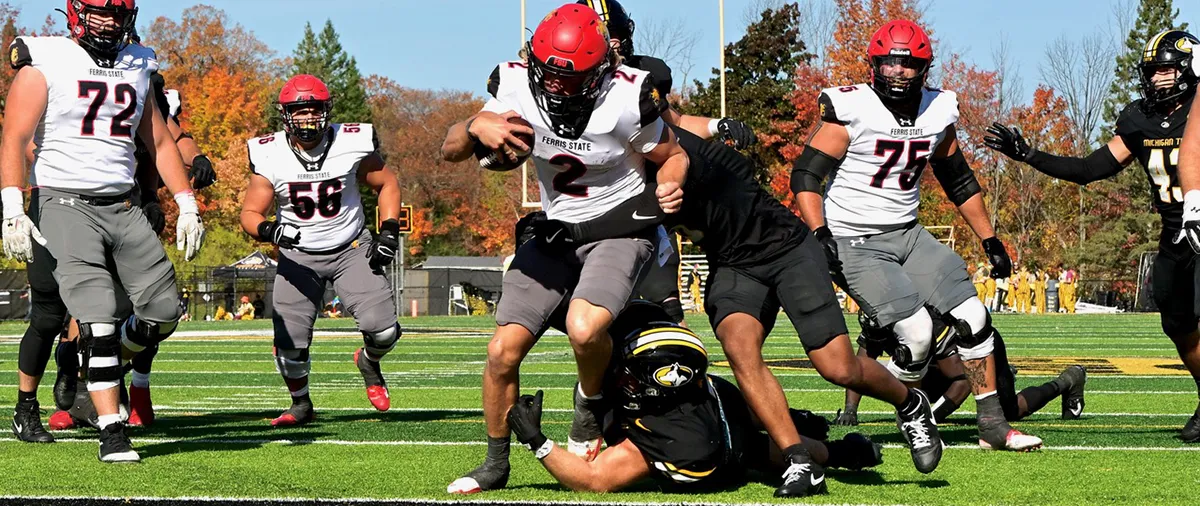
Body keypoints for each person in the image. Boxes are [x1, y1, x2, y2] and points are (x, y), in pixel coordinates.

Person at [441, 4, 689, 494]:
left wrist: (672, 183)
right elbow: (449, 150)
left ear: (602, 72)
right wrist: (474, 126)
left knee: (584, 326)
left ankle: (589, 404)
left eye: (570, 80)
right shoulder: (512, 84)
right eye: (548, 75)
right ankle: (495, 462)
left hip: (617, 229)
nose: (556, 87)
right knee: (501, 351)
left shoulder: (628, 98)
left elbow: (674, 154)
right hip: (556, 231)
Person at [792, 19, 1040, 451]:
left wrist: (990, 239)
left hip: (908, 233)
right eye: (889, 63)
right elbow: (806, 176)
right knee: (919, 334)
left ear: (924, 68)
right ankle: (911, 407)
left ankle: (992, 426)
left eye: (908, 64)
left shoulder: (938, 108)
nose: (898, 72)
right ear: (874, 65)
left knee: (974, 317)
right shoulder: (852, 107)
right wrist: (820, 233)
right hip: (856, 239)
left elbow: (958, 180)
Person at [1, 0, 205, 462]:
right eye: (98, 11)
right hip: (64, 201)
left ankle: (101, 360)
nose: (108, 21)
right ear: (76, 12)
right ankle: (111, 429)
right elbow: (13, 136)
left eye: (116, 13)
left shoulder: (139, 62)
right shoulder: (45, 58)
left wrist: (186, 201)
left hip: (123, 204)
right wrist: (13, 205)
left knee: (165, 309)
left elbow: (157, 140)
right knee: (90, 318)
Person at [990, 29, 1200, 442]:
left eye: (1165, 70)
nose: (1156, 78)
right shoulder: (1139, 118)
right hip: (1175, 231)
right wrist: (1028, 155)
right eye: (1152, 71)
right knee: (1177, 323)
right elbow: (1091, 169)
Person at [506, 300, 884, 495]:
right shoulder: (713, 387)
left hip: (712, 455)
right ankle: (839, 450)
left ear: (653, 385)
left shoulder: (660, 439)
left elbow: (592, 479)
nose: (622, 374)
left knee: (762, 442)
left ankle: (826, 442)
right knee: (773, 440)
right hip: (738, 442)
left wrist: (535, 440)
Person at [579, 0, 756, 326]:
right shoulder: (566, 82)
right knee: (603, 309)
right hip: (594, 202)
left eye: (616, 33)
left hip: (645, 195)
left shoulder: (645, 75)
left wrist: (718, 125)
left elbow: (672, 123)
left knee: (667, 303)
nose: (614, 41)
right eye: (606, 34)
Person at [241, 74, 403, 426]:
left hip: (351, 249)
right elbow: (250, 213)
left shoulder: (351, 141)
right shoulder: (269, 153)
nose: (307, 119)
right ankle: (301, 404)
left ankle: (368, 361)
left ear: (327, 111)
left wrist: (389, 231)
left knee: (385, 332)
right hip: (298, 258)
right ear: (286, 116)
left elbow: (387, 183)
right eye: (299, 112)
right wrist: (269, 229)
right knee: (289, 345)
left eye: (313, 111)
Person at [837, 307, 1087, 435]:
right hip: (939, 363)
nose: (878, 339)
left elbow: (963, 380)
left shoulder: (927, 326)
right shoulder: (881, 320)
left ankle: (1068, 380)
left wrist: (933, 416)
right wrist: (850, 410)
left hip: (974, 352)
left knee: (1011, 410)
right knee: (915, 389)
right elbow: (861, 366)